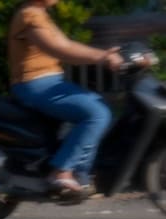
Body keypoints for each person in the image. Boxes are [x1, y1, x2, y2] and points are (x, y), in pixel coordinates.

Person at [8, 0, 124, 194]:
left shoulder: (40, 14)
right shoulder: (30, 15)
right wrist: (102, 57)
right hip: (35, 83)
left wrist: (105, 55)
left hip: (49, 81)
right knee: (97, 113)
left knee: (99, 107)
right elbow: (58, 49)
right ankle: (62, 172)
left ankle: (81, 176)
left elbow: (66, 44)